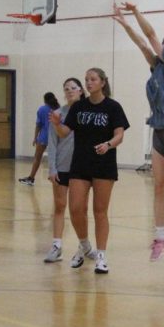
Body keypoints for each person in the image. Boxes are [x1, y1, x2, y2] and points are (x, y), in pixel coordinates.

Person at [112, 2, 164, 264]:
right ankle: (160, 238)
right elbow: (142, 43)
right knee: (159, 186)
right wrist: (125, 24)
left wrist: (135, 13)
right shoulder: (156, 67)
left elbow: (149, 36)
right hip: (159, 131)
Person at [50, 68, 129, 274]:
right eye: (86, 79)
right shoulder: (79, 107)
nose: (89, 82)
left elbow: (120, 134)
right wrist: (57, 125)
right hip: (80, 164)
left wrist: (108, 145)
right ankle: (84, 245)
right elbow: (65, 132)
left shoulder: (113, 107)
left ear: (102, 82)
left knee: (100, 211)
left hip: (104, 164)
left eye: (93, 79)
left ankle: (101, 255)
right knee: (76, 208)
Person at [43, 78, 84, 263]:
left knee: (80, 209)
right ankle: (57, 246)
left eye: (73, 88)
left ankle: (84, 246)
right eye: (66, 89)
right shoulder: (58, 114)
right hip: (62, 166)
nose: (69, 91)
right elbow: (52, 143)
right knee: (59, 206)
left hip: (81, 168)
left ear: (81, 91)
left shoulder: (87, 113)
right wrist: (52, 168)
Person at [19, 92, 60, 185]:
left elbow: (38, 125)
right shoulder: (58, 109)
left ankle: (31, 178)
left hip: (44, 136)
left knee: (37, 158)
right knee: (57, 158)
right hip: (56, 136)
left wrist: (35, 138)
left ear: (45, 100)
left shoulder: (42, 109)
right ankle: (58, 177)